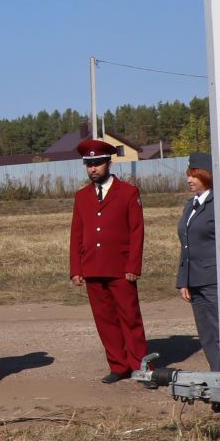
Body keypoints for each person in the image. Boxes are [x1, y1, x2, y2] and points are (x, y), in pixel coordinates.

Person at [68, 139, 148, 384]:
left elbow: (137, 231)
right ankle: (118, 364)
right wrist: (76, 268)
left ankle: (140, 365)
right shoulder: (81, 196)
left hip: (120, 269)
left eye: (97, 164)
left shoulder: (128, 192)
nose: (93, 169)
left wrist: (133, 266)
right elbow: (77, 233)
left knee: (130, 317)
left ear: (108, 163)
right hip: (93, 268)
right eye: (89, 164)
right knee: (105, 320)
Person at [175, 153, 220, 372]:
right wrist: (184, 280)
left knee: (219, 329)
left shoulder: (218, 204)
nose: (189, 180)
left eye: (194, 176)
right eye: (188, 176)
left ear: (207, 176)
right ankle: (217, 374)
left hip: (213, 280)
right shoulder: (190, 205)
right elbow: (186, 245)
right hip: (195, 280)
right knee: (205, 334)